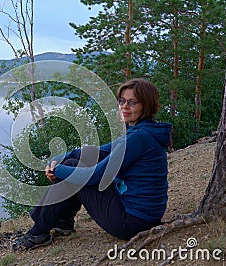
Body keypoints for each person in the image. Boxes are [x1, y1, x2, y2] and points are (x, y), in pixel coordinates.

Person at [12, 78, 172, 250]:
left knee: (76, 170)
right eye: (122, 101)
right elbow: (95, 151)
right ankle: (62, 221)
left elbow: (97, 176)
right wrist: (59, 158)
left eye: (133, 102)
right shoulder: (140, 132)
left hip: (133, 222)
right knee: (81, 158)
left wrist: (58, 170)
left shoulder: (139, 138)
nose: (125, 106)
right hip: (143, 216)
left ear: (145, 105)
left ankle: (39, 232)